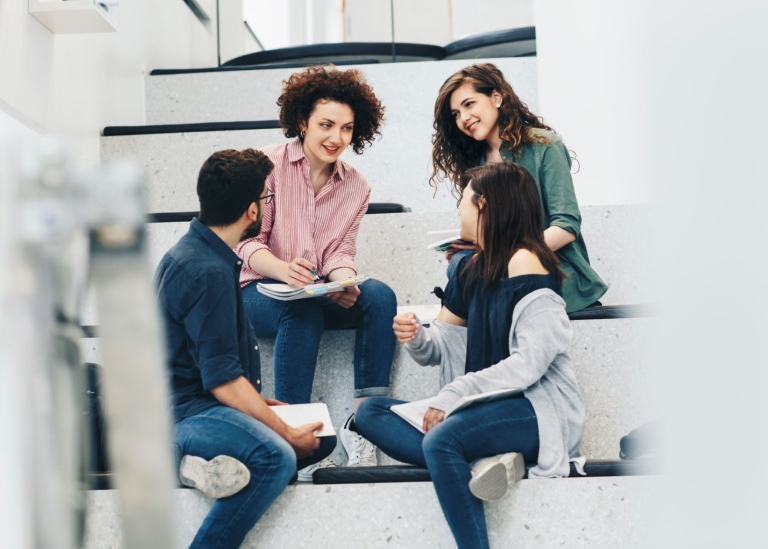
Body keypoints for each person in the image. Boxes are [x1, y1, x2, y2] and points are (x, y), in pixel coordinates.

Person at [355, 162, 586, 549]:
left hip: (532, 408)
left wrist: (454, 395)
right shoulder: (470, 268)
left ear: (485, 205)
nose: (459, 211)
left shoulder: (527, 263)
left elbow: (530, 364)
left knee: (440, 442)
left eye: (463, 201)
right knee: (370, 413)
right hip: (481, 408)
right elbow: (440, 349)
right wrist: (415, 337)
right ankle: (484, 460)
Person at [154, 149, 335, 549]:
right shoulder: (208, 271)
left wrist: (260, 405)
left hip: (199, 405)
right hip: (187, 417)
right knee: (279, 456)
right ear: (253, 211)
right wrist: (283, 431)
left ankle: (201, 468)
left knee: (322, 439)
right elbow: (221, 381)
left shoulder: (193, 253)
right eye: (267, 199)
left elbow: (204, 366)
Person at [235, 66, 397, 476]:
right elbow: (244, 243)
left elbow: (341, 249)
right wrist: (284, 270)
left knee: (379, 296)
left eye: (346, 129)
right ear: (302, 122)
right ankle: (295, 432)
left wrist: (343, 282)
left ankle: (365, 423)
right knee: (302, 310)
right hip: (256, 291)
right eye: (326, 125)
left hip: (311, 289)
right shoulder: (265, 166)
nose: (336, 138)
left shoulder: (356, 186)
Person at [431, 63, 607, 312]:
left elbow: (566, 227)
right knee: (460, 263)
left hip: (555, 271)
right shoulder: (476, 161)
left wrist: (504, 255)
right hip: (501, 273)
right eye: (455, 114)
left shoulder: (543, 145)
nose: (464, 118)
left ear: (496, 97)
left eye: (469, 104)